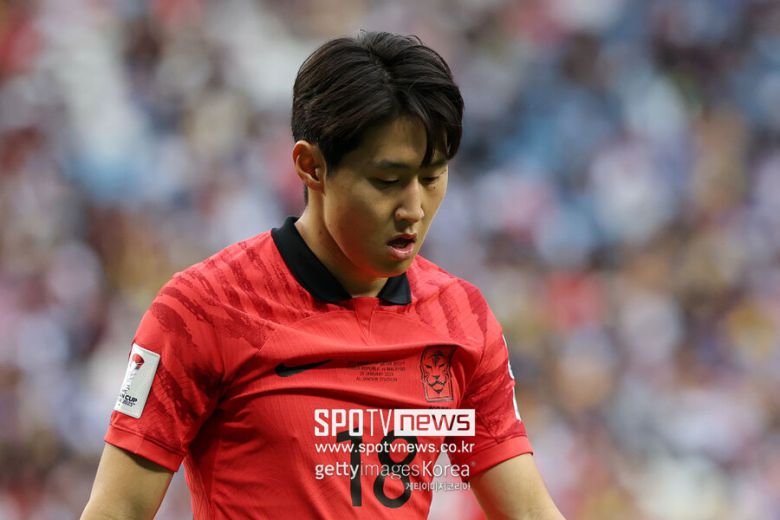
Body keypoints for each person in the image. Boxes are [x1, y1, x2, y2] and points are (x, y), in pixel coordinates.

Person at [81, 31, 565, 519]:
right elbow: (116, 511)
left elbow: (528, 513)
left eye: (431, 177)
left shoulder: (463, 320)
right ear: (311, 166)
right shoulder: (200, 309)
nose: (414, 209)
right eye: (387, 181)